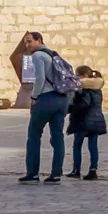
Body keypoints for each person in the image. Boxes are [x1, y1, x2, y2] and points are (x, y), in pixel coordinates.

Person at [19, 32, 71, 183]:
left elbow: (40, 78)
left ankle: (33, 173)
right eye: (26, 43)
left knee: (34, 135)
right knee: (57, 137)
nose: (27, 45)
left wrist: (34, 96)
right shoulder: (54, 54)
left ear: (39, 40)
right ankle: (56, 174)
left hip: (46, 98)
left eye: (29, 42)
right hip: (61, 99)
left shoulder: (37, 56)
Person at [66, 67, 107, 180]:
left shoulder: (82, 89)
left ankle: (76, 170)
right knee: (93, 146)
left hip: (83, 121)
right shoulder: (98, 89)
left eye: (77, 75)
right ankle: (93, 170)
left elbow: (83, 104)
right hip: (97, 120)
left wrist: (70, 109)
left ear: (83, 75)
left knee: (77, 145)